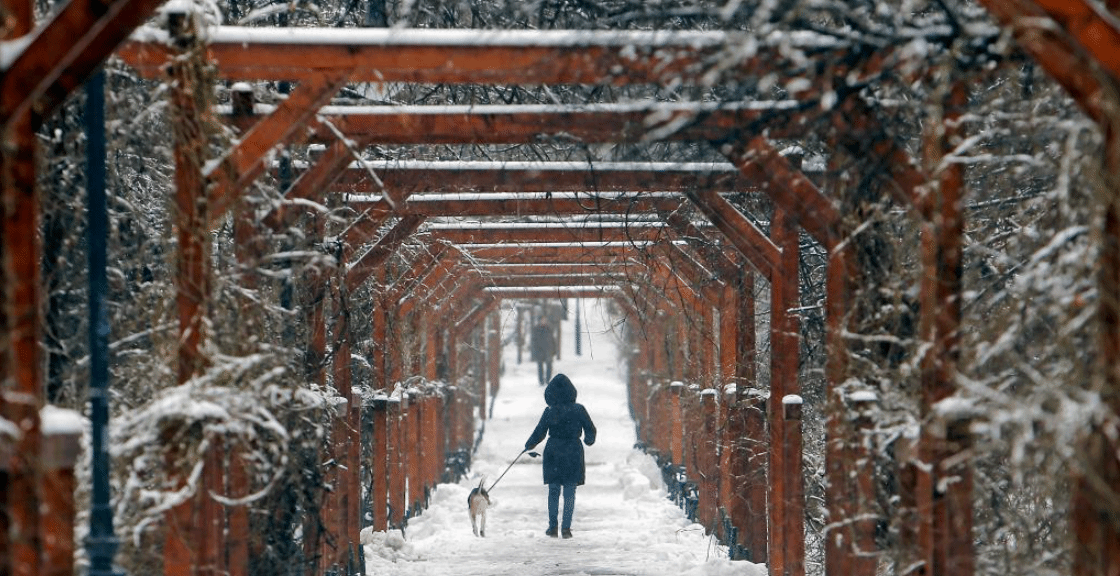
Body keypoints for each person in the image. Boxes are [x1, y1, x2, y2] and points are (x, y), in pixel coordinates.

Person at [524, 373, 596, 539]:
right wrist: (589, 440)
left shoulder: (550, 411)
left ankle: (552, 526)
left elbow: (539, 432)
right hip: (573, 451)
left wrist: (529, 445)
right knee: (570, 490)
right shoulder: (579, 409)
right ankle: (566, 528)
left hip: (554, 451)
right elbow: (590, 429)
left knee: (554, 490)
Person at [529, 315, 556, 386]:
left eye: (545, 320)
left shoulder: (549, 328)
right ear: (540, 321)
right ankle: (541, 381)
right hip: (540, 350)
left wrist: (554, 350)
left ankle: (548, 380)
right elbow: (534, 341)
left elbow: (552, 339)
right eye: (542, 320)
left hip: (548, 350)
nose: (544, 321)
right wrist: (534, 351)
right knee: (540, 366)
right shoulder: (536, 329)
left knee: (549, 366)